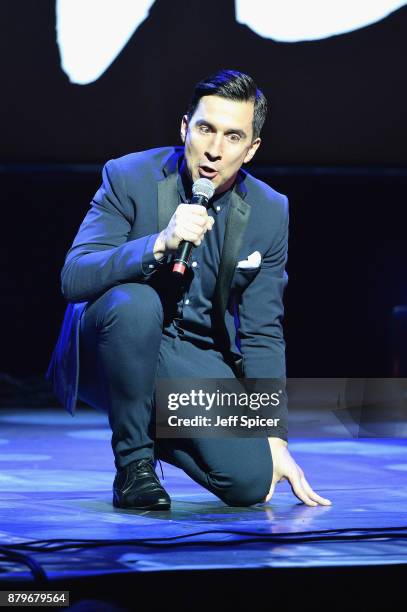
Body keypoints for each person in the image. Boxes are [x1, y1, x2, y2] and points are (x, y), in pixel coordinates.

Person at [47, 69, 331, 511]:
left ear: (251, 148)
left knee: (250, 483)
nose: (215, 151)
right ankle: (134, 466)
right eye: (205, 129)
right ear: (184, 128)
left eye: (233, 137)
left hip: (188, 355)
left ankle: (144, 421)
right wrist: (158, 244)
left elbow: (262, 331)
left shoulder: (270, 211)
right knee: (137, 302)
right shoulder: (129, 176)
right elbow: (75, 277)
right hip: (114, 337)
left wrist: (274, 436)